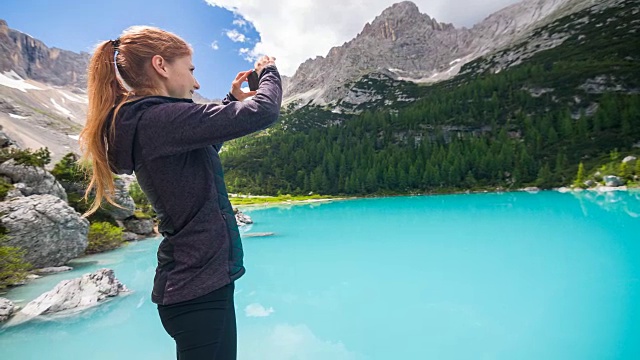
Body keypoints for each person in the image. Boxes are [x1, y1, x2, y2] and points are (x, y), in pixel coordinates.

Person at [79, 25, 282, 359]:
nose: (196, 82)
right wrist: (268, 72)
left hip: (193, 285)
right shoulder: (158, 118)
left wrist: (231, 102)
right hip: (198, 289)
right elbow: (265, 111)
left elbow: (204, 144)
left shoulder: (152, 121)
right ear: (161, 66)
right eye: (190, 70)